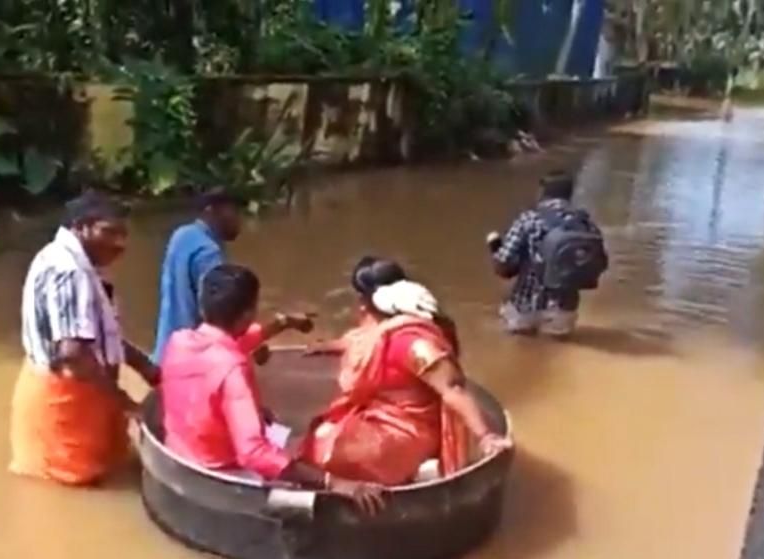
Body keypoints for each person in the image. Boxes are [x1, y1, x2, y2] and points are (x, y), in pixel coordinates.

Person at [159, 264, 385, 514]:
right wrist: (335, 483)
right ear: (248, 314)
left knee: (285, 437)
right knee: (306, 453)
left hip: (180, 460)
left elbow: (237, 341)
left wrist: (283, 323)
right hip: (223, 477)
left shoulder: (179, 341)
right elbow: (253, 453)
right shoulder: (232, 367)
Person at [300, 257, 514, 487]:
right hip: (383, 413)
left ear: (372, 301)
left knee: (326, 446)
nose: (359, 305)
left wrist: (486, 437)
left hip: (412, 426)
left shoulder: (414, 343)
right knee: (324, 429)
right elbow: (358, 342)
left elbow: (453, 389)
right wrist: (325, 347)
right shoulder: (383, 330)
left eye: (361, 297)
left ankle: (409, 474)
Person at [9, 191, 160, 487]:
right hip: (67, 400)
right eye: (110, 232)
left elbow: (94, 336)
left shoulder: (66, 259)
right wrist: (124, 402)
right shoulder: (70, 272)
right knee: (82, 486)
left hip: (80, 390)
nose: (120, 245)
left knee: (112, 471)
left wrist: (144, 366)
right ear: (82, 227)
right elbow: (73, 356)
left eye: (123, 235)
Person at [488, 170, 607, 337]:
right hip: (564, 310)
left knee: (515, 348)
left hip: (525, 308)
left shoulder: (529, 219)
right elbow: (600, 263)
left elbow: (503, 262)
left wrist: (494, 247)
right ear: (569, 194)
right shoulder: (585, 223)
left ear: (542, 192)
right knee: (558, 355)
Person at [153, 188, 244, 362]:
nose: (238, 221)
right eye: (233, 212)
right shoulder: (209, 251)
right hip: (192, 356)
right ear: (210, 211)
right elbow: (217, 313)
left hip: (166, 349)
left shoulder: (181, 235)